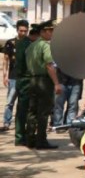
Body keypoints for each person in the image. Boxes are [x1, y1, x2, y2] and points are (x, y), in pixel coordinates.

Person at [24, 20, 62, 149]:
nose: (52, 33)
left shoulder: (31, 46)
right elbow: (49, 65)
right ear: (43, 32)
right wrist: (56, 83)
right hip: (44, 81)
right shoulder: (45, 46)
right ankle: (41, 141)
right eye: (50, 31)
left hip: (32, 80)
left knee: (32, 111)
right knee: (44, 112)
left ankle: (30, 139)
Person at [12, 25, 39, 145]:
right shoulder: (27, 44)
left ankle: (20, 136)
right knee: (25, 109)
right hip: (26, 79)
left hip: (22, 79)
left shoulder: (22, 43)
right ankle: (22, 137)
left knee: (22, 109)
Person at [2, 20, 29, 132]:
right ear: (17, 30)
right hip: (13, 77)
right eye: (21, 30)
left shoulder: (30, 43)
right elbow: (6, 60)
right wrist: (5, 75)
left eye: (25, 31)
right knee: (9, 102)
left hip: (26, 77)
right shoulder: (11, 43)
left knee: (25, 102)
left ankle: (23, 123)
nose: (23, 33)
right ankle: (6, 122)